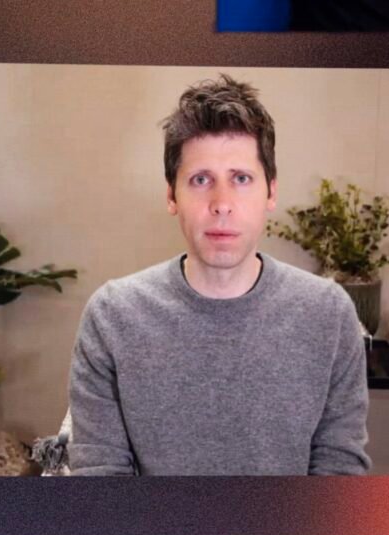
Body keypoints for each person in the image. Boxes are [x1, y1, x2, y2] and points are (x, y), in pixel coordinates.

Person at [68, 74, 371, 476]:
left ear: (271, 192)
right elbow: (99, 474)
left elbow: (340, 470)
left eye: (241, 179)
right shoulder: (112, 316)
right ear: (172, 195)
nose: (222, 204)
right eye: (201, 180)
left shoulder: (329, 314)